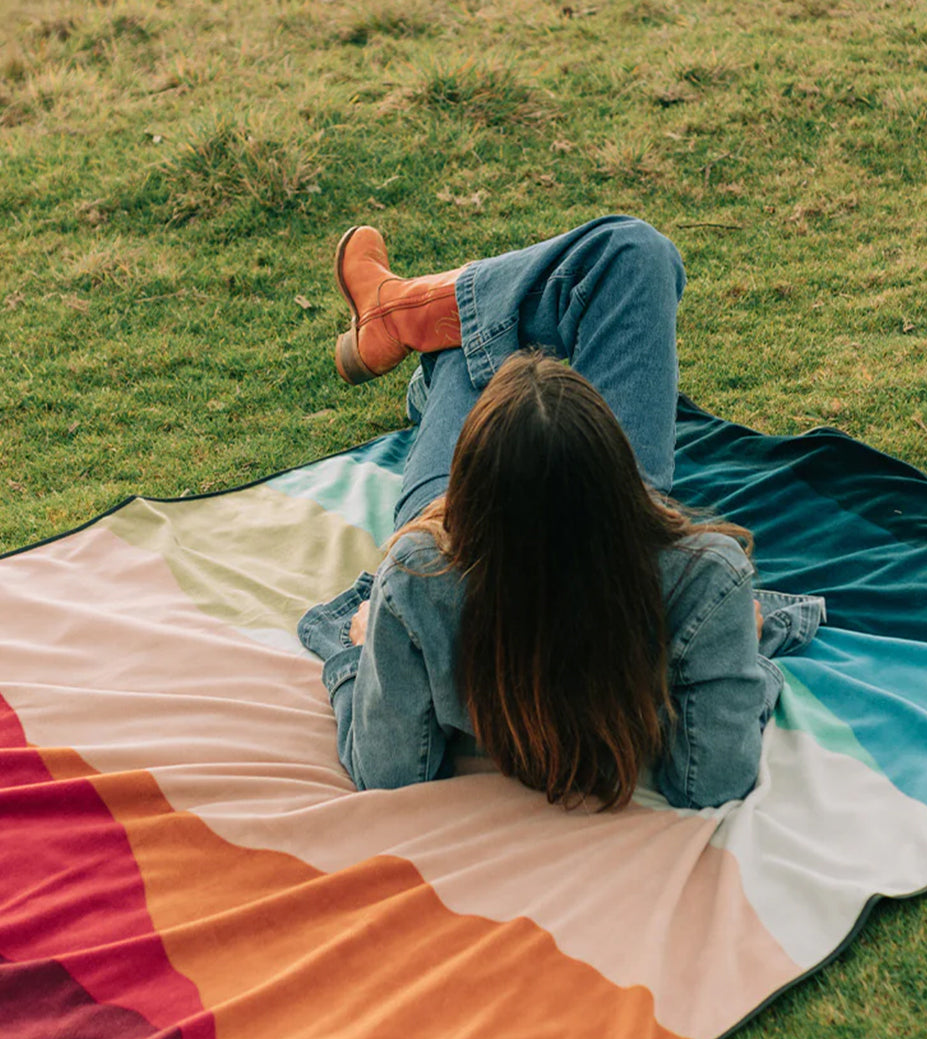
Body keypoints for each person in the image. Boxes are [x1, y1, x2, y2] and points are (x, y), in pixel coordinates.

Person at [298, 216, 824, 810]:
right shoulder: (705, 578)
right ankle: (408, 316)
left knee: (475, 357)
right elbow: (714, 779)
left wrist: (362, 651)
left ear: (464, 482)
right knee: (630, 256)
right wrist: (738, 653)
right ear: (618, 462)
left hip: (463, 533)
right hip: (601, 532)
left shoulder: (421, 576)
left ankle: (408, 320)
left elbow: (387, 770)